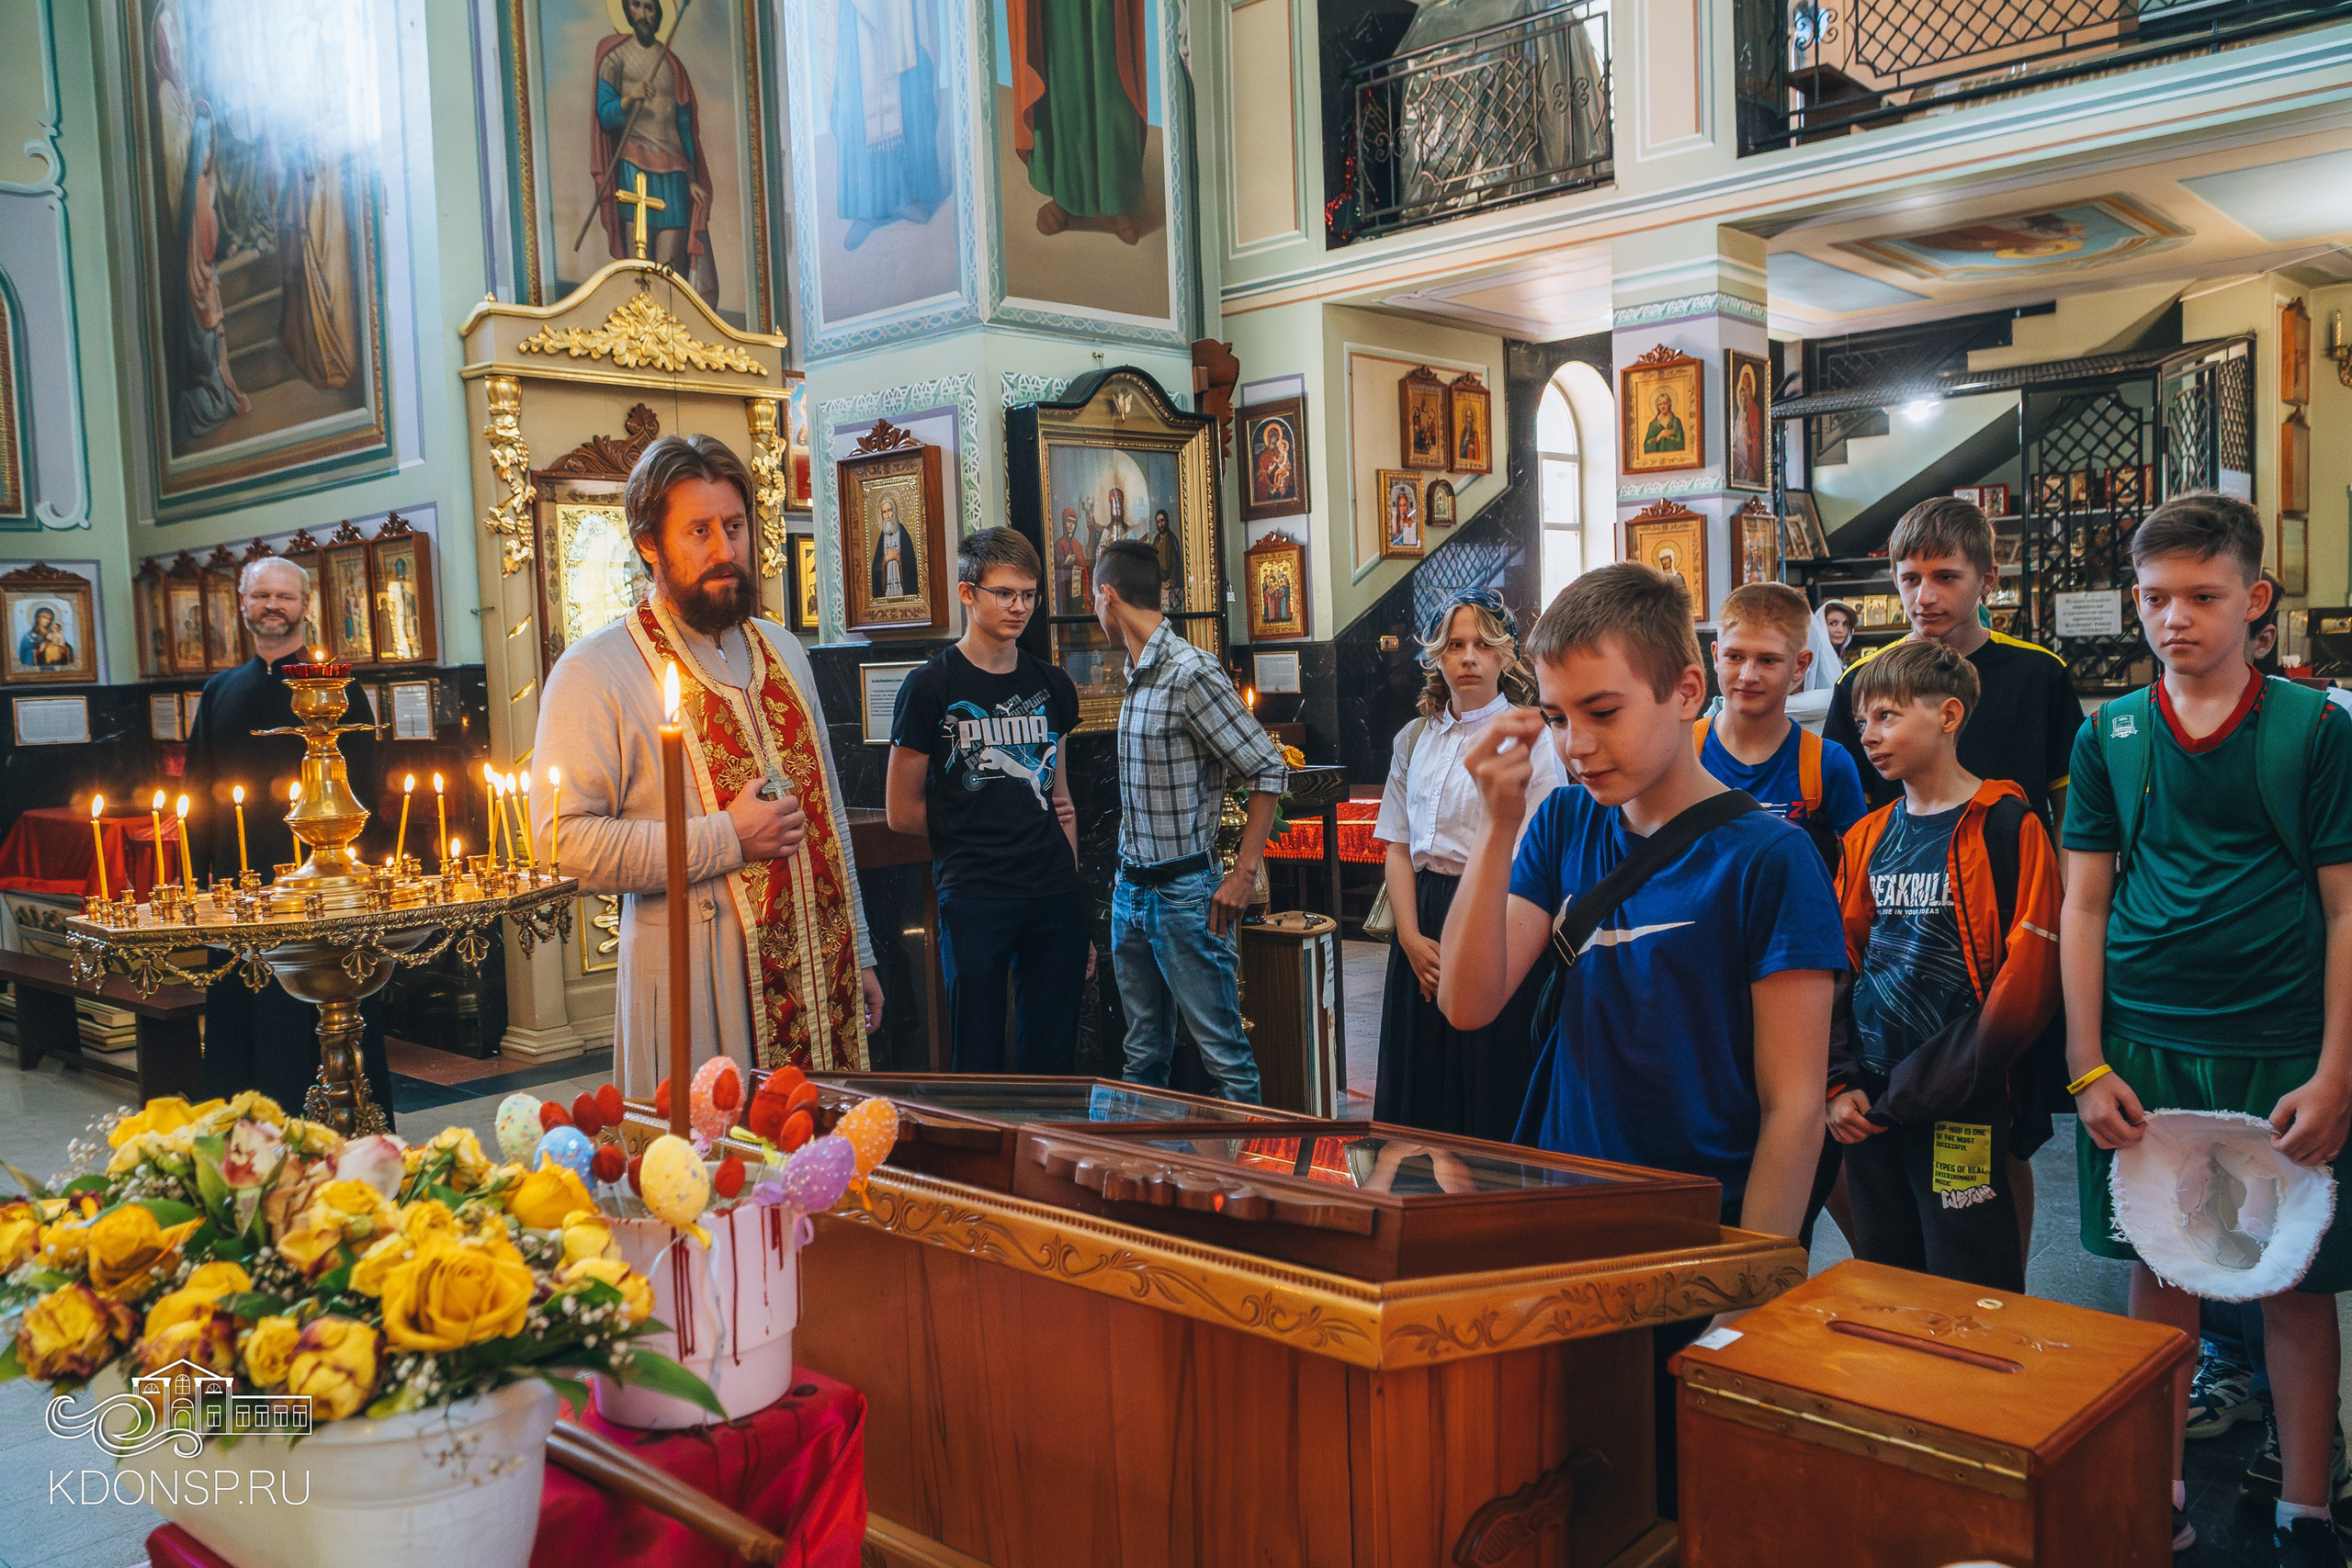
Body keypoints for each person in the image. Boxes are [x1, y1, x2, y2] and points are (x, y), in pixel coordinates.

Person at [1435, 563, 1844, 1516]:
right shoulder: (1565, 819)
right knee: (1570, 1485)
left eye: (1604, 711)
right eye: (1560, 716)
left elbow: (1794, 1106)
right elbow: (1467, 1002)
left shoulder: (1769, 857)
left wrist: (1745, 1294)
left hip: (1694, 1232)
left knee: (1687, 1501)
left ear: (1685, 690)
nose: (1577, 746)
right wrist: (1498, 828)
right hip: (1567, 1214)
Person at [2060, 491, 2352, 1561]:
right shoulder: (2111, 736)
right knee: (2164, 1270)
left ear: (2254, 600)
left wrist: (2336, 1071)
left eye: (2200, 595)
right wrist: (2083, 1062)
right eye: (2152, 597)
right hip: (2145, 1038)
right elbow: (2081, 903)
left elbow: (2345, 907)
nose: (2172, 617)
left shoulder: (2313, 729)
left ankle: (2305, 1508)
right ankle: (2158, 1488)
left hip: (2279, 1039)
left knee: (2295, 1278)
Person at [532, 434, 882, 1093]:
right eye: (699, 531)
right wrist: (728, 836)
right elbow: (561, 844)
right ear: (648, 544)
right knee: (712, 1176)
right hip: (698, 979)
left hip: (818, 971)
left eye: (734, 526)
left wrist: (858, 948)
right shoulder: (594, 670)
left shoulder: (783, 648)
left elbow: (827, 813)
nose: (725, 551)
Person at [1824, 496, 2078, 1257]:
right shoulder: (1864, 683)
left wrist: (2054, 939)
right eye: (1909, 577)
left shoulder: (2038, 676)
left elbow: (2066, 820)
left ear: (1985, 579)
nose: (1925, 595)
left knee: (1999, 1155)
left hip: (2002, 939)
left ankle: (2004, 1290)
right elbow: (1857, 825)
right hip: (1900, 929)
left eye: (1944, 575)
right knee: (1884, 1180)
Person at [183, 556, 389, 1122]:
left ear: (305, 606)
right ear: (242, 604)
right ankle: (248, 1155)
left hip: (322, 890)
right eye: (261, 596)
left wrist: (363, 880)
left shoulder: (340, 688)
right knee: (241, 1025)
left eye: (285, 596)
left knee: (320, 1019)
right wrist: (198, 888)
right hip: (239, 891)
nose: (273, 605)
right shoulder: (220, 690)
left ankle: (341, 1131)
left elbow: (367, 787)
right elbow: (197, 791)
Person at [887, 528, 1091, 1073]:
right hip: (975, 891)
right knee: (974, 1053)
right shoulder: (930, 686)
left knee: (1052, 1059)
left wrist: (1074, 895)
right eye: (1004, 593)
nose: (1019, 607)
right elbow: (900, 812)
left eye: (1029, 594)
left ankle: (1043, 1157)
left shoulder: (1052, 685)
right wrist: (976, 828)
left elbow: (1060, 798)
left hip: (1053, 892)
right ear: (968, 593)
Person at [1096, 538, 1288, 1104]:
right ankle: (1144, 1181)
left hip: (1185, 894)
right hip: (1131, 891)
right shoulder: (1136, 672)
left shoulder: (1189, 673)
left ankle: (1251, 1182)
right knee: (1142, 1052)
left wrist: (1243, 874)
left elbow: (1267, 769)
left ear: (1107, 596)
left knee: (1225, 1056)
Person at [1371, 590, 1564, 1141]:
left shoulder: (1529, 738)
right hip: (1423, 916)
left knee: (1486, 1068)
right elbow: (1400, 845)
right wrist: (1408, 935)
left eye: (1483, 644)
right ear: (1436, 656)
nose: (1469, 657)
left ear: (1505, 654)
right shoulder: (1414, 740)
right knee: (1421, 1071)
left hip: (1498, 909)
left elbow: (1537, 850)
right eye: (1455, 645)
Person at [1698, 583, 1868, 873]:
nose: (1748, 675)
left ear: (1800, 666)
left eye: (1767, 660)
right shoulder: (1682, 753)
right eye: (1734, 656)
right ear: (1716, 656)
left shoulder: (1827, 764)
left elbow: (1857, 875)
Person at [594, 0, 719, 304]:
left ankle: (667, 333)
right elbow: (605, 115)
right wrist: (629, 98)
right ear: (626, 10)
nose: (644, 14)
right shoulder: (615, 59)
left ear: (659, 13)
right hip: (632, 165)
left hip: (674, 171)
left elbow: (685, 127)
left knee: (669, 272)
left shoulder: (672, 65)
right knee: (638, 264)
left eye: (650, 7)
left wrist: (692, 180)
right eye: (636, 6)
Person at [1821, 600, 1857, 666]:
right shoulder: (1814, 660)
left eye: (1845, 624)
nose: (1840, 630)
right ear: (1820, 624)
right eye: (1833, 623)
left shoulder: (1840, 659)